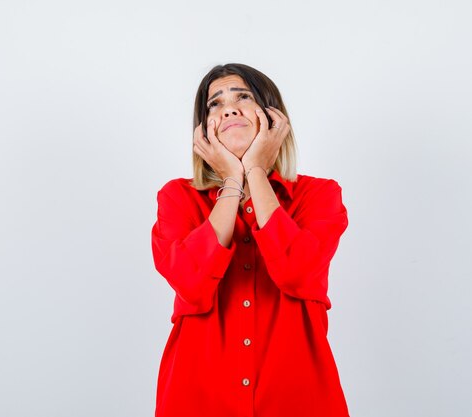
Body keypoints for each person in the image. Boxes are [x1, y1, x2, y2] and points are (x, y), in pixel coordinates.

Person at [150, 63, 351, 417]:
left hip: (299, 399)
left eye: (243, 96)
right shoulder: (177, 198)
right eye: (215, 103)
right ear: (203, 131)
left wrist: (255, 170)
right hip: (196, 398)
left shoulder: (319, 195)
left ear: (275, 118)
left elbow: (296, 271)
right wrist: (232, 180)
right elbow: (191, 284)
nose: (228, 108)